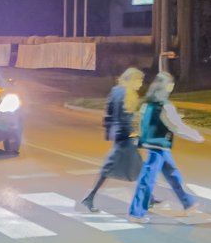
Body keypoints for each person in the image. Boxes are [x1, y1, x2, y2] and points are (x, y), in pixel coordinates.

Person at [128, 72, 203, 224]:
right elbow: (176, 126)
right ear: (166, 86)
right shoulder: (165, 106)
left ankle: (188, 203)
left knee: (173, 175)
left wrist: (138, 137)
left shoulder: (147, 104)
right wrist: (195, 136)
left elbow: (139, 121)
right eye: (170, 84)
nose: (172, 86)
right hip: (158, 146)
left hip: (153, 144)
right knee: (147, 179)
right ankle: (136, 213)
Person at [76, 68, 144, 213]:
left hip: (119, 134)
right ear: (132, 80)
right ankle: (89, 197)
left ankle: (150, 198)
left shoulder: (116, 91)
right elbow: (126, 119)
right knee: (111, 167)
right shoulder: (128, 95)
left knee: (138, 166)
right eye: (139, 80)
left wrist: (110, 131)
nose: (141, 84)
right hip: (124, 136)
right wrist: (134, 136)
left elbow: (109, 113)